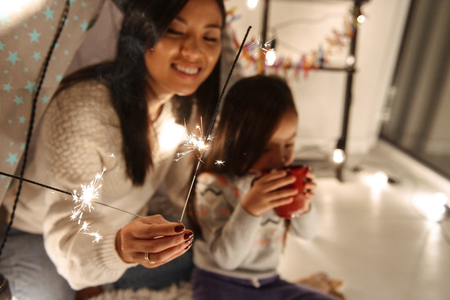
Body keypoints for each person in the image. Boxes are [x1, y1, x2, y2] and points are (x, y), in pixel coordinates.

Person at [0, 0, 226, 298]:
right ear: (141, 30)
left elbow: (183, 193)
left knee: (217, 256)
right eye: (174, 31)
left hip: (122, 232)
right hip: (38, 234)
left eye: (210, 37)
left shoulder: (183, 108)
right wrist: (118, 248)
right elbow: (68, 227)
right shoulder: (84, 109)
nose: (194, 51)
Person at [191, 75, 337, 300]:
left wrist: (304, 205)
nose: (280, 159)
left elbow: (307, 233)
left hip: (269, 283)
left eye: (289, 144)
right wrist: (250, 208)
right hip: (219, 282)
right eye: (266, 148)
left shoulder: (282, 180)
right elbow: (226, 259)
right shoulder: (212, 185)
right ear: (237, 141)